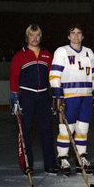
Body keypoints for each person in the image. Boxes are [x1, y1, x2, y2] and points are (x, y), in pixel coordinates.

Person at [49, 24, 94, 176]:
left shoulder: (89, 52)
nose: (76, 36)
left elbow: (93, 76)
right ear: (68, 36)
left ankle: (81, 157)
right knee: (66, 129)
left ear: (83, 36)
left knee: (83, 129)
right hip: (68, 97)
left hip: (86, 97)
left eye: (79, 33)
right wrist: (58, 95)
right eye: (73, 33)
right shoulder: (62, 51)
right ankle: (63, 158)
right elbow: (54, 75)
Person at [9, 24, 58, 175]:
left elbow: (53, 77)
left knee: (47, 130)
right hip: (26, 96)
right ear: (27, 37)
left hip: (43, 95)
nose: (34, 38)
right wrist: (14, 98)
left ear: (40, 37)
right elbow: (13, 78)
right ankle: (27, 165)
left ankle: (50, 164)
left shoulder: (47, 55)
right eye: (31, 35)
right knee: (25, 131)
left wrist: (56, 95)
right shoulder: (19, 56)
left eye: (37, 35)